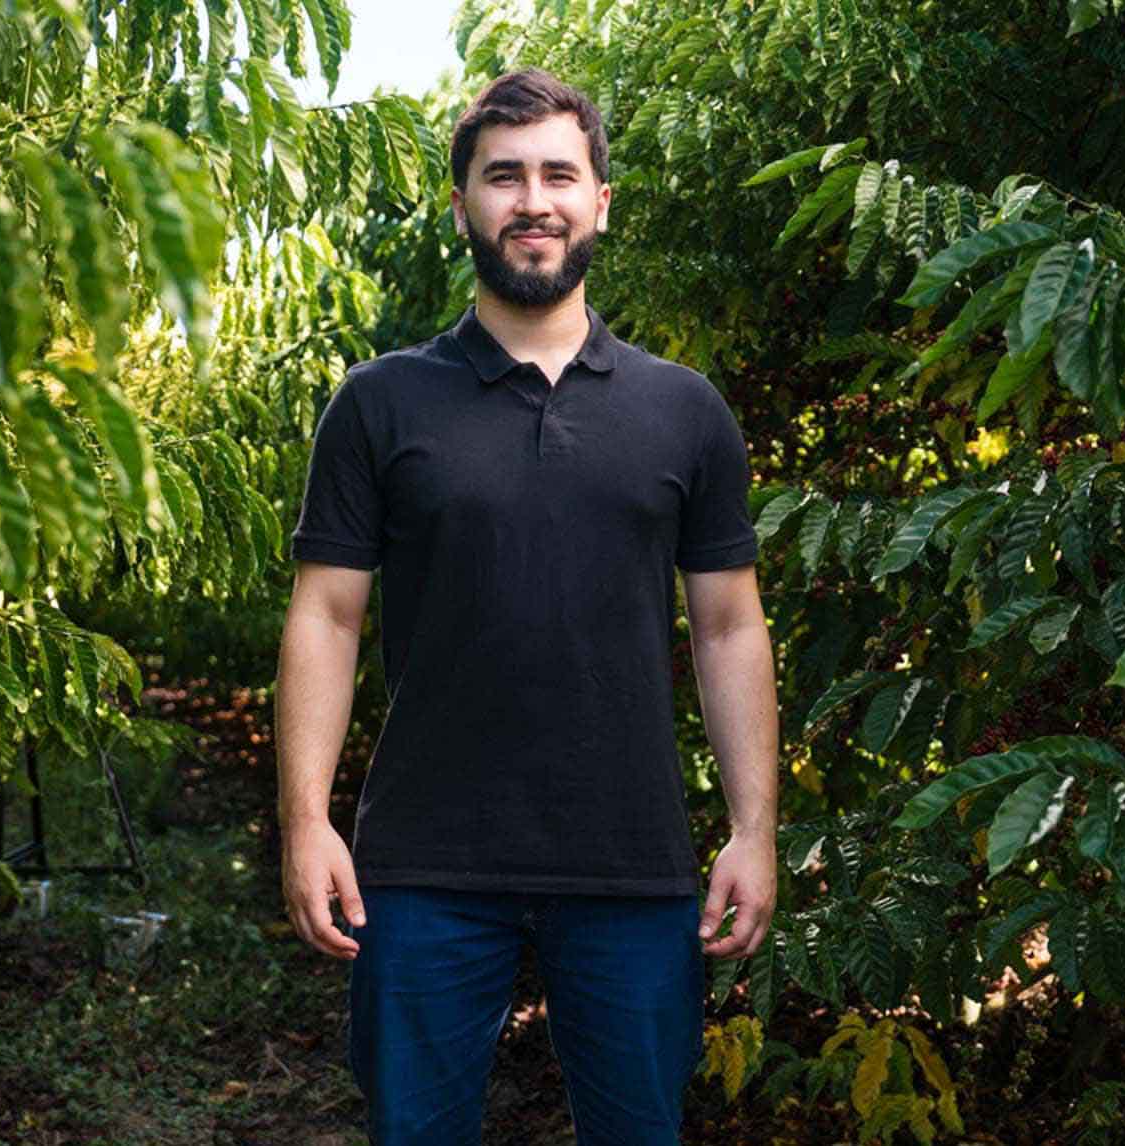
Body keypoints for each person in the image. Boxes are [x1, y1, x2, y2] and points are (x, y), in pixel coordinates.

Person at [274, 67, 779, 1145]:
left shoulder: (683, 410)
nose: (532, 199)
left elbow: (729, 627)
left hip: (633, 864)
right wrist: (306, 821)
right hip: (419, 870)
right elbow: (325, 616)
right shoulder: (379, 403)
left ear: (601, 200)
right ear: (462, 206)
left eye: (559, 173)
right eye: (503, 177)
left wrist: (752, 827)